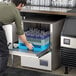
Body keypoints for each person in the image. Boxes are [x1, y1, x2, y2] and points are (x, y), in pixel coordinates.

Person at [0, 0, 33, 76]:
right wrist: (27, 44)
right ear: (20, 4)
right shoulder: (16, 13)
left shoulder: (3, 3)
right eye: (22, 6)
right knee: (4, 53)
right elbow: (20, 33)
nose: (21, 9)